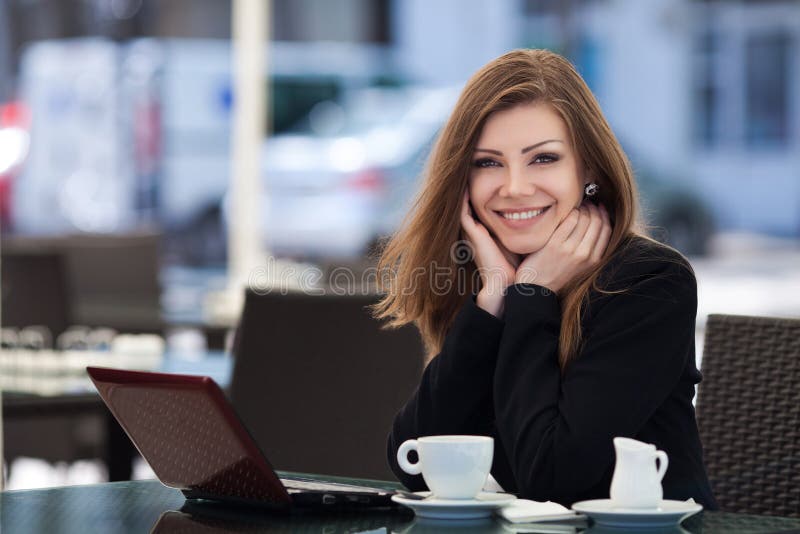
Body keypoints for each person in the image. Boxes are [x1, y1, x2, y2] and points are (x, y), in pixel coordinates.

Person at [373, 49, 717, 509]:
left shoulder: (651, 282)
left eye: (543, 159)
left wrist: (531, 295)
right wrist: (495, 301)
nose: (514, 186)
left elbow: (552, 475)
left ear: (589, 168)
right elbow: (412, 461)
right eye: (488, 163)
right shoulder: (486, 277)